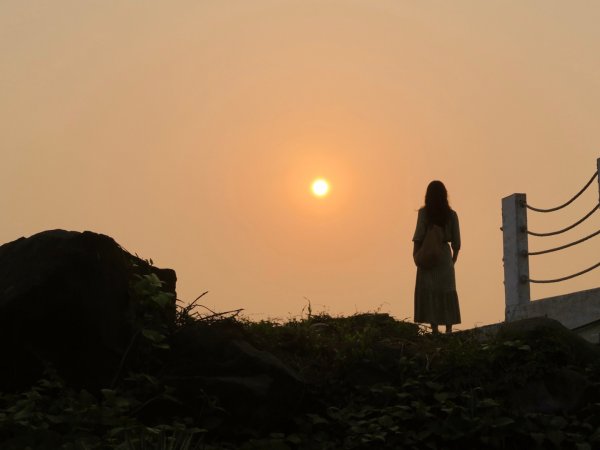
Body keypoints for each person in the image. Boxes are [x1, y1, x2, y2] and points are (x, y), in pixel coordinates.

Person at [412, 180, 461, 333]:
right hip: (445, 257)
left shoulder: (424, 213)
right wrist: (452, 261)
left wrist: (416, 256)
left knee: (430, 291)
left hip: (428, 255)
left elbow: (418, 236)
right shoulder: (452, 215)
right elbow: (457, 243)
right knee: (446, 291)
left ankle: (434, 329)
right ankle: (448, 329)